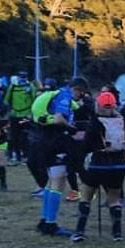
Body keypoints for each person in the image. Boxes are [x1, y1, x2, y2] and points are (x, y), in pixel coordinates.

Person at [32, 77, 88, 237]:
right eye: (81, 93)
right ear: (77, 89)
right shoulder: (64, 96)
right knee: (59, 180)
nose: (81, 97)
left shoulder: (56, 94)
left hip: (44, 139)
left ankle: (44, 220)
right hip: (56, 141)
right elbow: (58, 118)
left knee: (51, 181)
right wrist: (71, 128)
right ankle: (51, 224)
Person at [72, 91, 125, 242]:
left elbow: (85, 145)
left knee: (86, 196)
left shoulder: (95, 121)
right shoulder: (122, 120)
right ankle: (117, 233)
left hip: (98, 164)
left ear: (99, 105)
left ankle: (79, 231)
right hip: (118, 165)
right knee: (114, 198)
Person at [4, 71, 36, 165]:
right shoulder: (12, 86)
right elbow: (7, 100)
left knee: (25, 136)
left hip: (26, 115)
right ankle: (17, 157)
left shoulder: (30, 86)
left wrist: (31, 113)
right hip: (14, 115)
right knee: (14, 136)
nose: (22, 79)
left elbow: (34, 100)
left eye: (24, 77)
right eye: (21, 77)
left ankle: (26, 156)